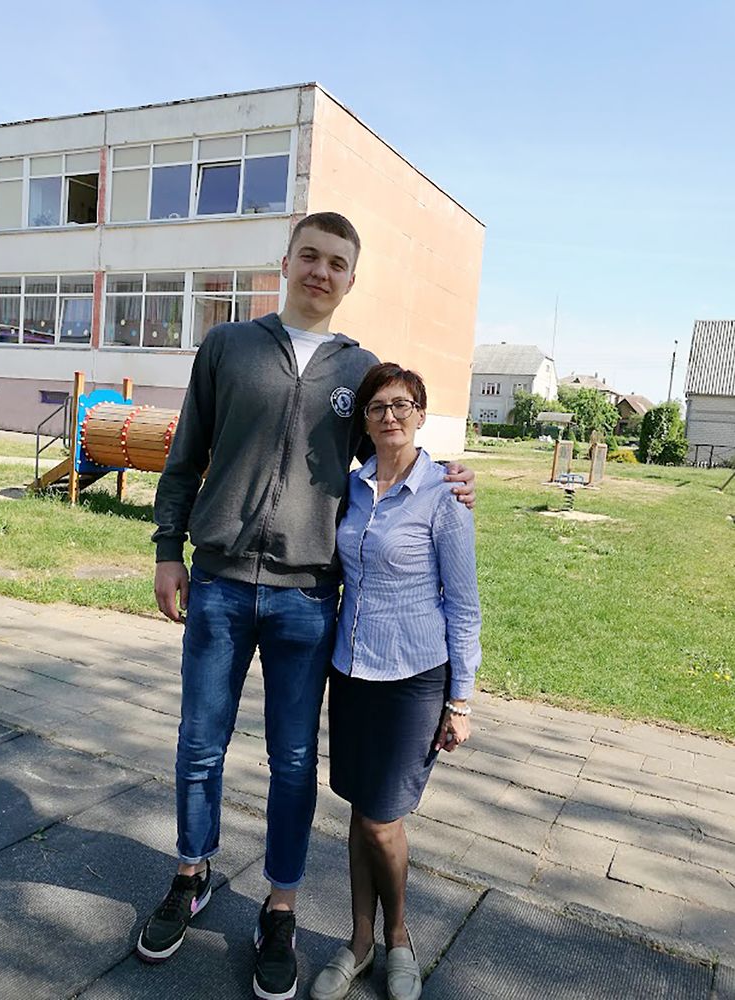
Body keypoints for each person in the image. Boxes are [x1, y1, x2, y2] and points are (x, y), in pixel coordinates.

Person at [136, 212, 476, 1000]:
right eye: (310, 257)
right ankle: (190, 874)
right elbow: (185, 457)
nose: (322, 272)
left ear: (352, 278)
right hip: (219, 583)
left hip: (306, 598)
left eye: (337, 263)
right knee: (199, 744)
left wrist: (449, 478)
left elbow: (390, 454)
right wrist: (166, 549)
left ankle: (281, 907)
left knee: (292, 761)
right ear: (286, 261)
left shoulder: (356, 371)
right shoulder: (228, 347)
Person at [310, 363, 481, 1000]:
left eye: (402, 404)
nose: (390, 415)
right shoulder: (352, 490)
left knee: (383, 820)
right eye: (378, 406)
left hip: (414, 678)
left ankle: (399, 938)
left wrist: (460, 699)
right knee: (359, 812)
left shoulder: (445, 495)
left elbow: (463, 604)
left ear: (421, 415)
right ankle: (358, 942)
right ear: (365, 420)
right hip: (352, 671)